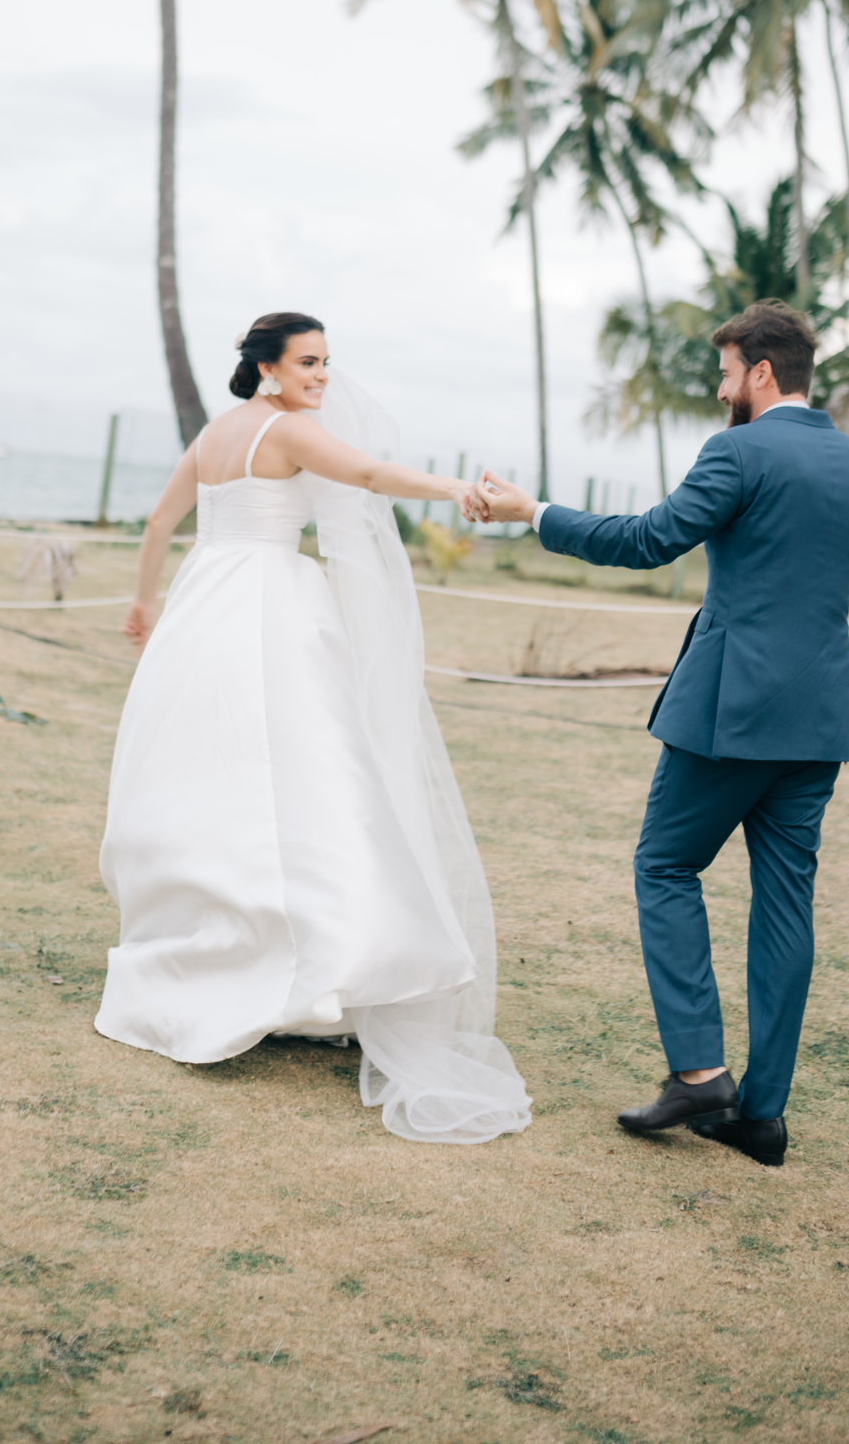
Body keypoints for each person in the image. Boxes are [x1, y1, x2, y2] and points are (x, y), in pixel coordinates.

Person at [94, 311, 531, 1146]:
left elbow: (160, 524)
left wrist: (145, 600)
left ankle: (213, 949)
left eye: (327, 362)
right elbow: (366, 473)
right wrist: (461, 491)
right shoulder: (290, 431)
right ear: (267, 366)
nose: (321, 376)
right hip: (268, 608)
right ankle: (294, 957)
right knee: (303, 773)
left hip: (203, 600)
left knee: (208, 773)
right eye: (307, 362)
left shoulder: (215, 434)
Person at [474, 302, 849, 1167]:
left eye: (728, 371)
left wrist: (530, 509)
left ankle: (700, 1074)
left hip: (730, 715)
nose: (722, 387)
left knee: (664, 864)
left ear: (763, 373)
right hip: (817, 719)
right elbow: (835, 584)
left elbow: (650, 539)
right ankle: (761, 1116)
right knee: (785, 906)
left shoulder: (738, 449)